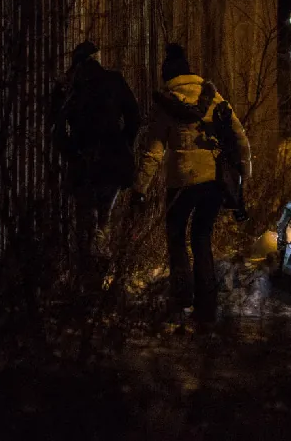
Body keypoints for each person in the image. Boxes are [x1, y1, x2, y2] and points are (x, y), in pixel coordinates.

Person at [131, 44, 251, 325]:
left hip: (181, 183)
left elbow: (153, 152)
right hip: (212, 182)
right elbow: (240, 137)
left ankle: (181, 298)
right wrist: (243, 178)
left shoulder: (166, 105)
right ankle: (207, 307)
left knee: (176, 236)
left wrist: (139, 188)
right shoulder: (214, 97)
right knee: (201, 238)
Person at [52, 41, 140, 279]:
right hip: (113, 162)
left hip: (85, 162)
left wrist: (72, 152)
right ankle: (101, 273)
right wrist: (124, 143)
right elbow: (135, 116)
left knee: (84, 220)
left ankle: (87, 276)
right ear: (96, 58)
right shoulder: (114, 81)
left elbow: (56, 127)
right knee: (104, 218)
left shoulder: (70, 87)